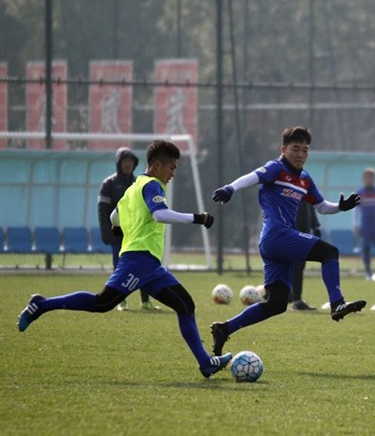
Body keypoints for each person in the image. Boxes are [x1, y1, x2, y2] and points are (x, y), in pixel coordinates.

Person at [17, 140, 231, 379]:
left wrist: (118, 229)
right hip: (138, 260)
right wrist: (198, 218)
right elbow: (159, 215)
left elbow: (114, 216)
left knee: (185, 305)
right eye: (171, 167)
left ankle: (205, 363)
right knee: (102, 303)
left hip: (150, 265)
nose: (173, 173)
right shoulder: (152, 185)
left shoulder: (133, 188)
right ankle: (41, 304)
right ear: (157, 164)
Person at [209, 126, 366, 357]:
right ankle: (337, 304)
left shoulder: (304, 179)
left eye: (305, 150)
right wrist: (230, 188)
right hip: (277, 236)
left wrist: (340, 207)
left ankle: (224, 329)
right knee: (329, 253)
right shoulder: (276, 168)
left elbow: (321, 207)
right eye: (295, 149)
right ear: (284, 149)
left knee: (277, 304)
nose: (300, 154)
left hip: (276, 244)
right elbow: (252, 177)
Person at [98, 147, 157, 311]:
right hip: (117, 234)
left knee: (143, 267)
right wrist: (106, 232)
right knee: (119, 268)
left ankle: (145, 302)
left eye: (131, 161)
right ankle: (120, 301)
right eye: (125, 161)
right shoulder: (108, 184)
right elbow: (103, 211)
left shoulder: (138, 183)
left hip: (137, 234)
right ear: (119, 163)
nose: (128, 164)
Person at [290, 201, 321, 311]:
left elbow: (310, 206)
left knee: (298, 267)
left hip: (304, 232)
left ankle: (294, 298)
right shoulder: (287, 187)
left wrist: (315, 225)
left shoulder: (305, 186)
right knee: (293, 267)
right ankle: (293, 298)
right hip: (290, 232)